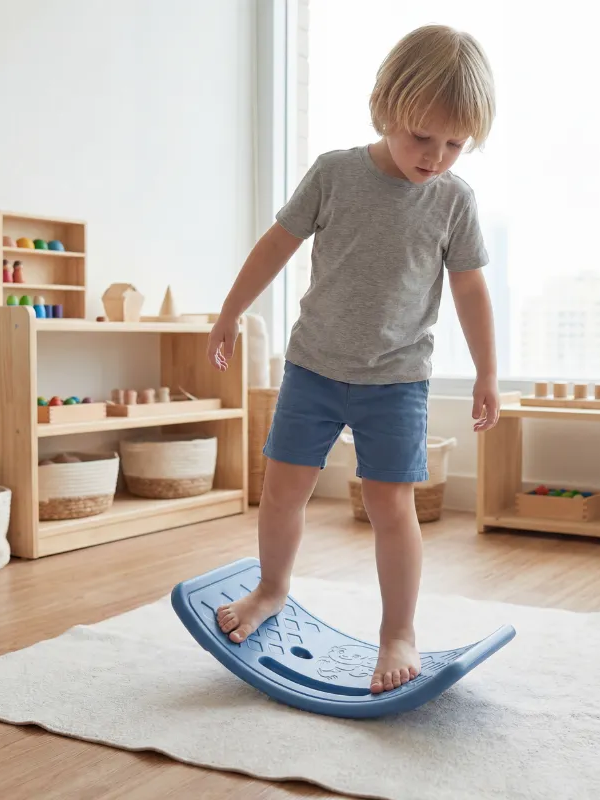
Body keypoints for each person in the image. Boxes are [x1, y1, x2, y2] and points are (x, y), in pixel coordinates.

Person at [207, 23, 500, 694]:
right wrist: (229, 313)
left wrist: (487, 371)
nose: (435, 157)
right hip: (313, 368)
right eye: (421, 136)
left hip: (396, 381)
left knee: (390, 505)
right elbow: (275, 246)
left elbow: (470, 289)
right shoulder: (335, 174)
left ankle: (398, 631)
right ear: (387, 107)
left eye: (455, 144)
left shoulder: (454, 200)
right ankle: (271, 589)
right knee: (283, 491)